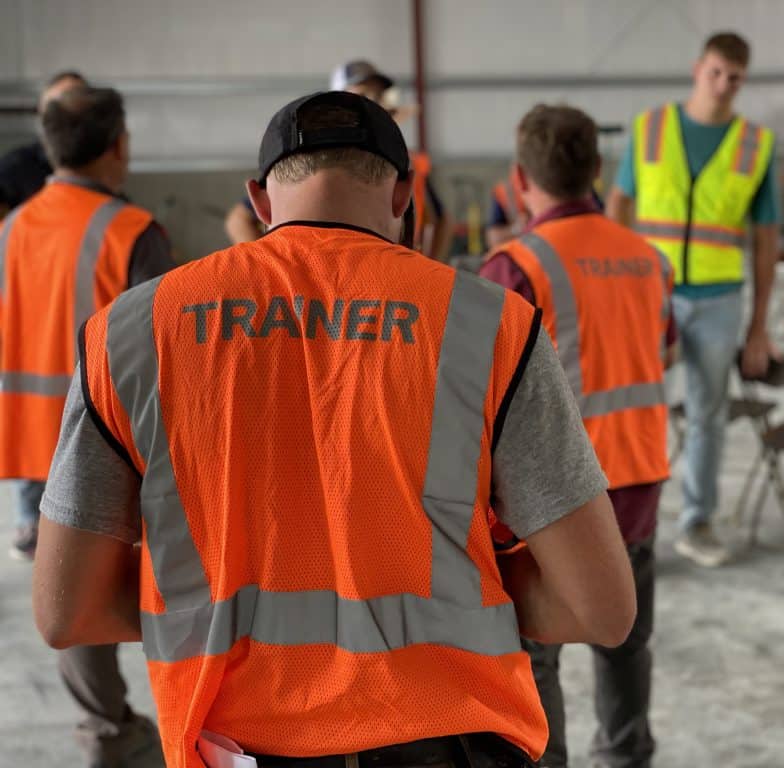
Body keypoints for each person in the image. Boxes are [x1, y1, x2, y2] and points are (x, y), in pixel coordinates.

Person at [32, 90, 637, 768]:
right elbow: (602, 608)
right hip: (452, 741)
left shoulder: (132, 332)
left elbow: (66, 611)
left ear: (259, 200)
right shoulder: (489, 326)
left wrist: (209, 600)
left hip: (236, 746)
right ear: (405, 194)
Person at [480, 104, 674, 768]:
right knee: (626, 639)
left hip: (550, 504)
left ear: (518, 179)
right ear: (597, 170)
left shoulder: (513, 268)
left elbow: (480, 397)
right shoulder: (648, 258)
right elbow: (661, 354)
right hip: (638, 481)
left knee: (535, 655)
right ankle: (627, 754)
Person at [0, 86, 175, 766]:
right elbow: (168, 354)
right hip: (117, 440)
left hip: (33, 435)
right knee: (165, 578)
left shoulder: (10, 230)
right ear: (118, 146)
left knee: (70, 593)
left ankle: (106, 730)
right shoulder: (133, 232)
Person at [606, 31, 780, 567]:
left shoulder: (756, 144)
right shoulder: (651, 129)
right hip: (650, 297)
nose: (724, 85)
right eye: (716, 73)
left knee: (708, 414)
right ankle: (630, 531)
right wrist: (616, 290)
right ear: (697, 68)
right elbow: (619, 206)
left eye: (735, 78)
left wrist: (758, 326)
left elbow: (766, 238)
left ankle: (697, 522)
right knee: (636, 412)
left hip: (719, 300)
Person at [333, 58, 452, 262]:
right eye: (362, 94)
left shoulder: (408, 161)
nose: (373, 102)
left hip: (398, 274)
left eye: (378, 95)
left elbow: (440, 220)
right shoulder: (320, 158)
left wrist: (431, 266)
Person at [0, 70, 87, 218]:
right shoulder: (13, 168)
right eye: (56, 109)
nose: (66, 119)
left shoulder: (103, 169)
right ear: (42, 113)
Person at [486, 172, 604, 249]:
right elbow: (493, 238)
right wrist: (516, 229)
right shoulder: (507, 191)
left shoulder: (581, 187)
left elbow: (602, 222)